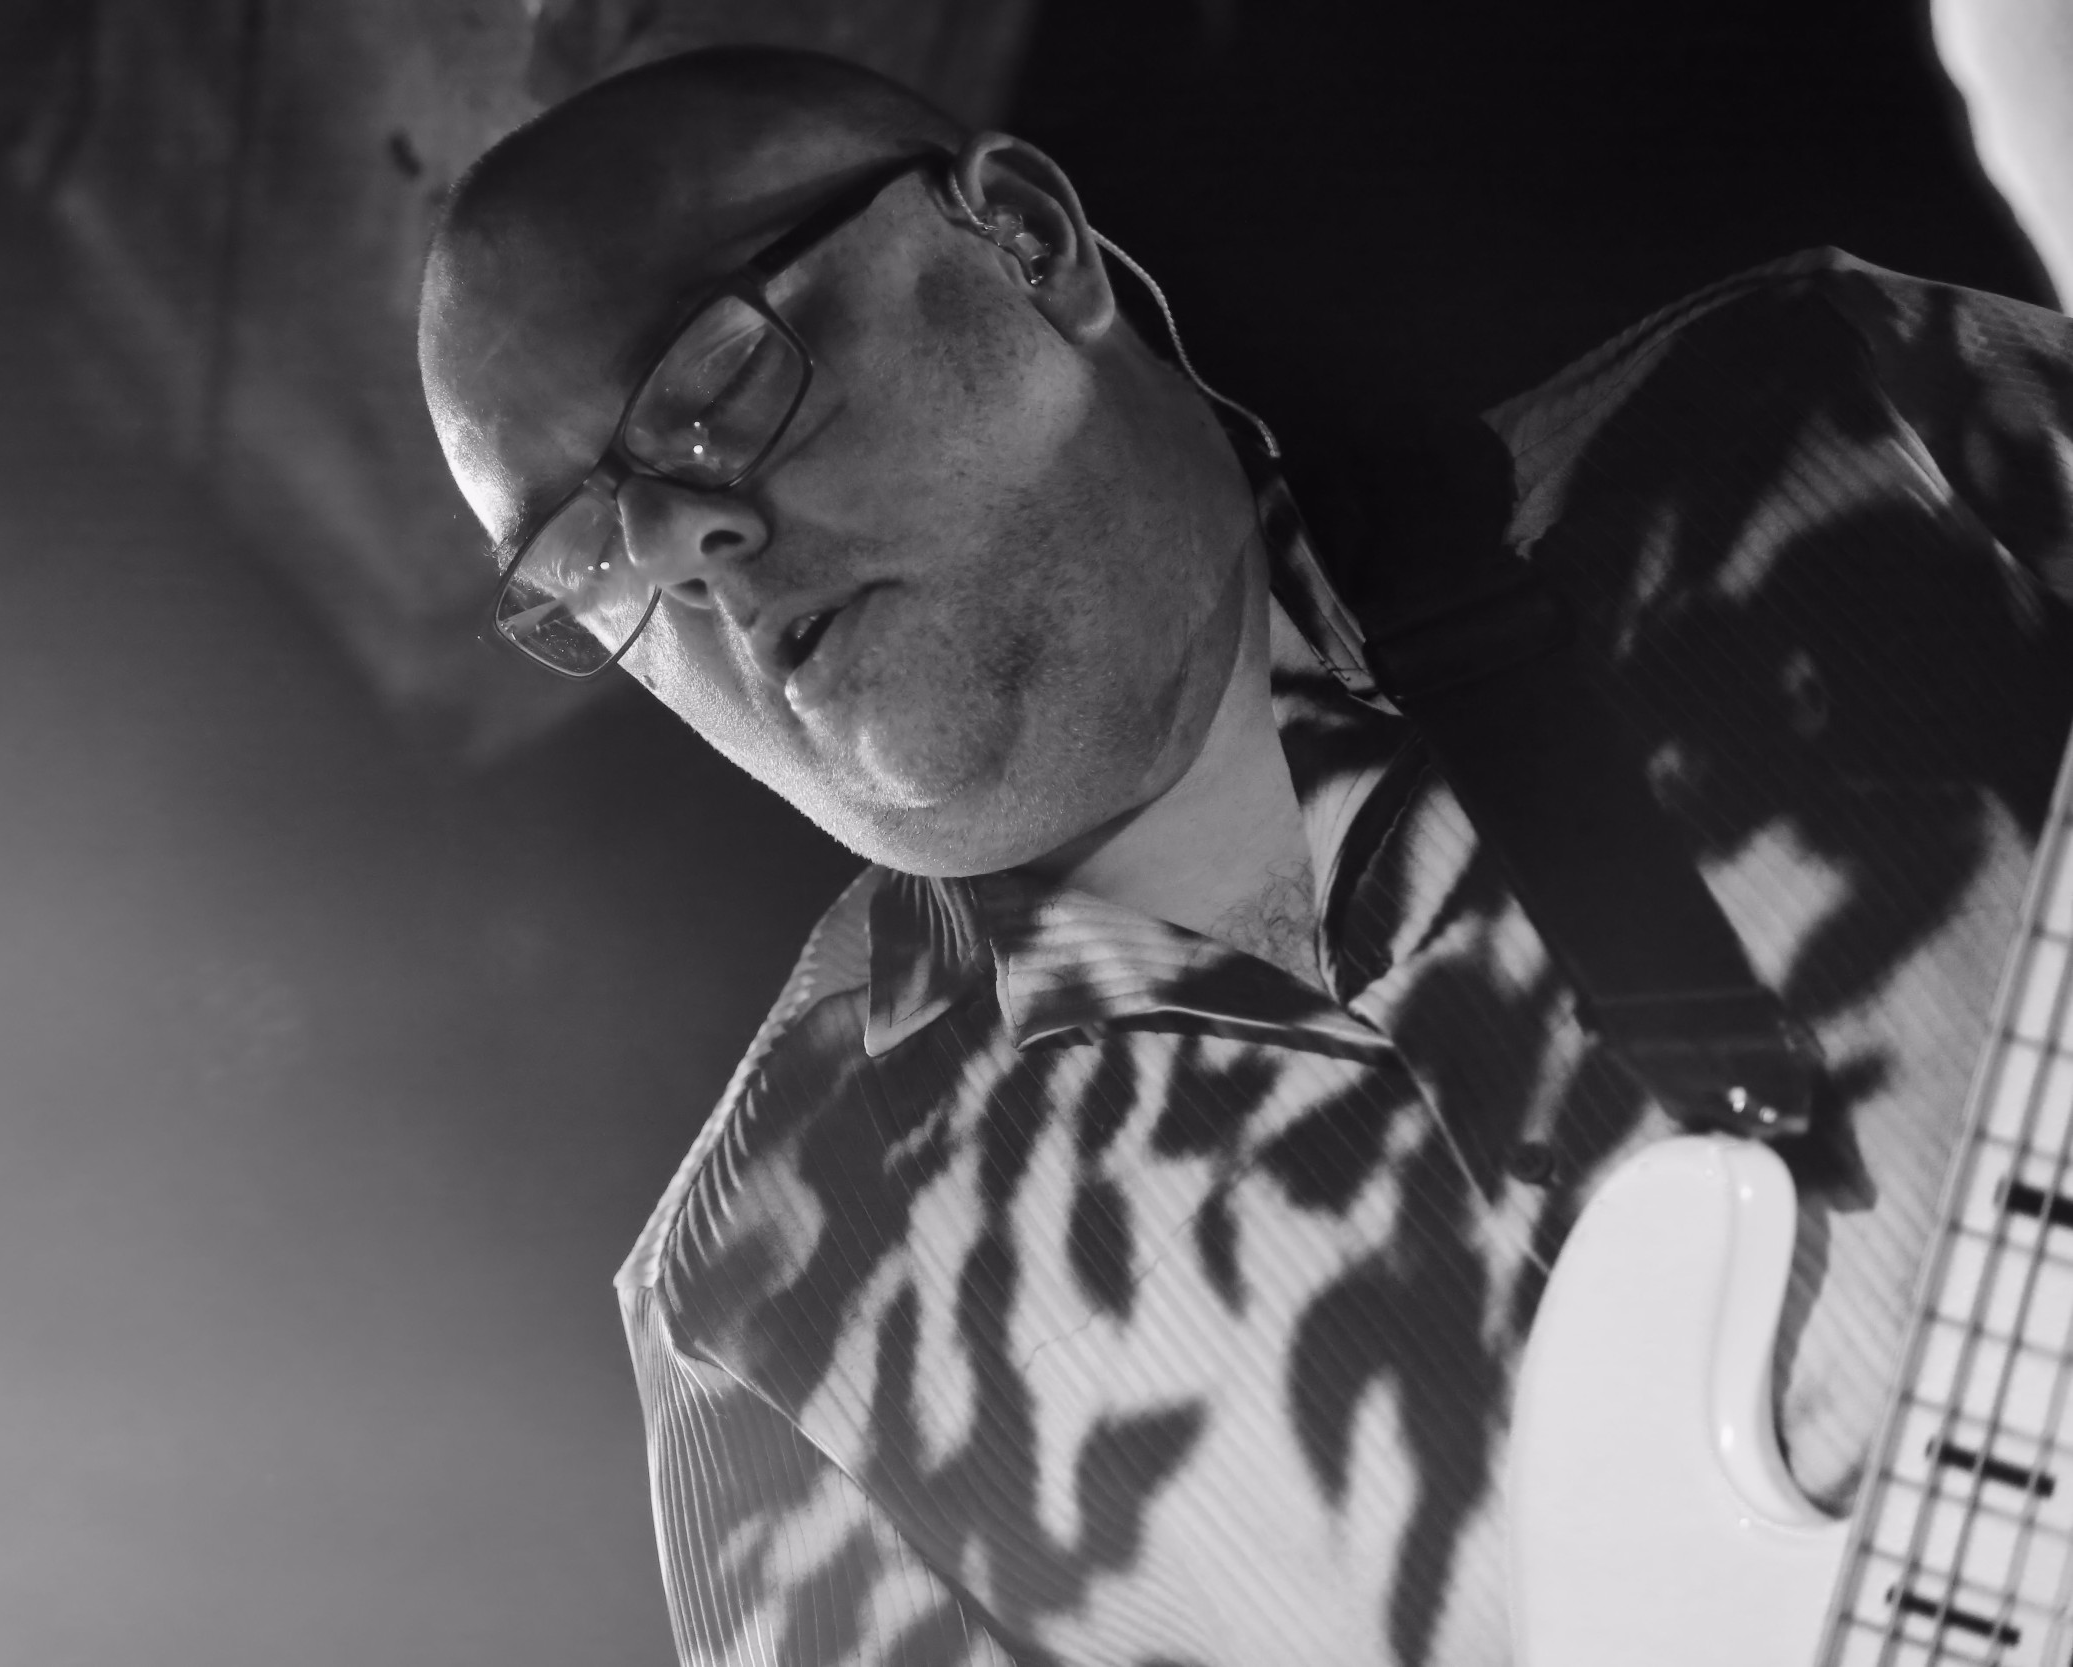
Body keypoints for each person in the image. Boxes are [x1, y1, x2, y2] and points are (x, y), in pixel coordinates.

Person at [416, 45, 2073, 1667]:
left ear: (1029, 243)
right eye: (583, 552)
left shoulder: (1851, 420)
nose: (674, 545)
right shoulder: (765, 1326)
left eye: (717, 383)